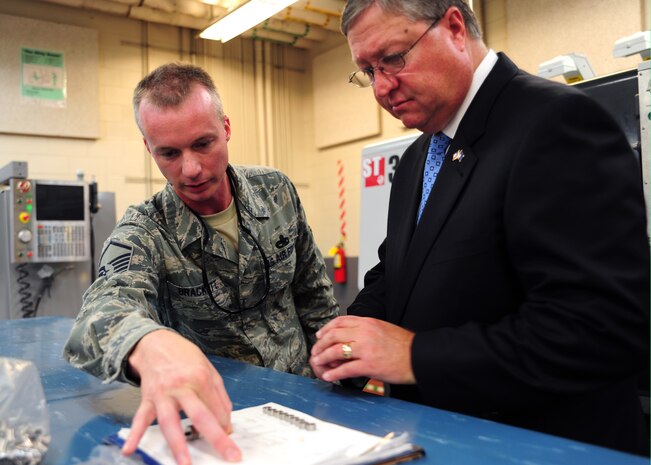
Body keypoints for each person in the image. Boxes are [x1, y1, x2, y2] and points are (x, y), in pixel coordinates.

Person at [310, 0, 650, 455]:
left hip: (546, 447)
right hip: (440, 437)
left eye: (393, 58)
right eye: (368, 71)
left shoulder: (557, 123)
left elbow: (599, 330)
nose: (382, 88)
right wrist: (351, 333)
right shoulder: (418, 157)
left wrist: (413, 355)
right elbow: (399, 271)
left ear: (453, 26)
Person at [63, 62, 339, 464]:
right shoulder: (146, 228)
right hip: (216, 419)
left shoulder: (276, 190)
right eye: (169, 153)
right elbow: (99, 314)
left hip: (308, 403)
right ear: (148, 148)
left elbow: (314, 296)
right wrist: (147, 342)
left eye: (203, 144)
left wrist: (339, 381)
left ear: (226, 128)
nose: (190, 169)